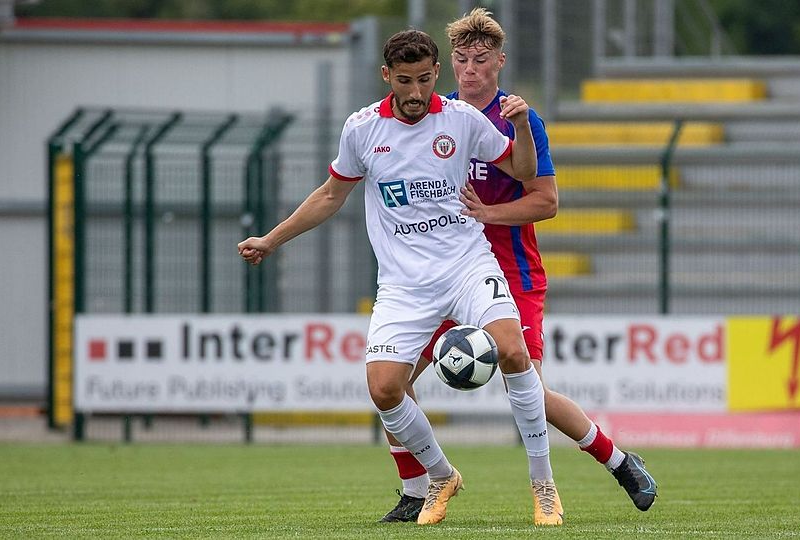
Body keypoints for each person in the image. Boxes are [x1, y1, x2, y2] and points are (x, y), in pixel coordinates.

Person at [238, 29, 564, 526]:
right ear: (386, 76)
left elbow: (522, 172)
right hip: (404, 285)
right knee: (385, 389)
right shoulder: (362, 129)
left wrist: (520, 126)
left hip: (468, 266)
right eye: (405, 81)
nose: (416, 92)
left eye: (425, 79)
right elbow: (330, 195)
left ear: (437, 73)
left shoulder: (462, 118)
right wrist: (271, 239)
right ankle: (441, 474)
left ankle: (543, 485)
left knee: (514, 352)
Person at [378, 8, 657, 524]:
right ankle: (416, 488)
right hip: (439, 273)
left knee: (528, 386)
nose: (470, 70)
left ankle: (617, 462)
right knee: (393, 382)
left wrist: (489, 214)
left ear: (500, 62)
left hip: (510, 272)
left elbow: (546, 201)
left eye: (481, 60)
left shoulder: (517, 120)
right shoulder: (436, 115)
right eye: (461, 59)